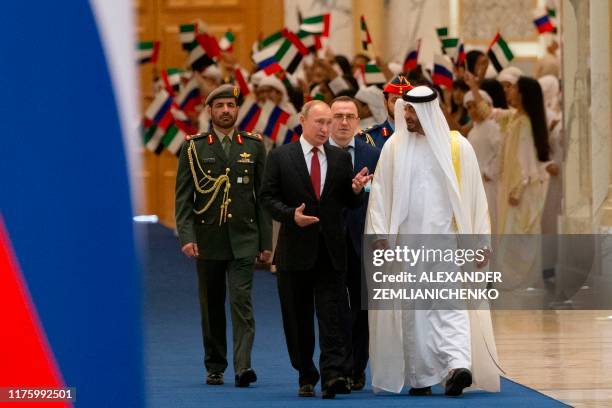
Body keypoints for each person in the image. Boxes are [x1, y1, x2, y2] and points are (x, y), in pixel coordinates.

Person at [366, 85, 501, 396]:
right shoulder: (395, 147)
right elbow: (381, 196)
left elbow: (475, 199)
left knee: (450, 306)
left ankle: (457, 366)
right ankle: (422, 377)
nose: (407, 116)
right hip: (406, 248)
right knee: (415, 312)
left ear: (428, 111)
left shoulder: (458, 147)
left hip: (448, 246)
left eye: (413, 111)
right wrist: (379, 238)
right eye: (406, 110)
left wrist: (481, 243)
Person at [260, 100, 373, 399]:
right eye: (320, 122)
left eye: (328, 123)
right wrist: (290, 216)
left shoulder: (338, 159)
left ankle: (334, 374)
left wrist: (356, 191)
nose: (326, 128)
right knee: (297, 319)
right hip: (295, 252)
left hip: (331, 252)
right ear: (302, 121)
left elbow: (347, 203)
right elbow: (267, 198)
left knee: (333, 315)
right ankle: (306, 373)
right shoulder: (281, 157)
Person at [175, 84, 272, 388]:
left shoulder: (254, 145)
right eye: (220, 106)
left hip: (244, 237)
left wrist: (266, 243)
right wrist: (187, 236)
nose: (226, 111)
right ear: (210, 111)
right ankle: (215, 365)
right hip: (208, 239)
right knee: (212, 304)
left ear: (237, 109)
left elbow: (263, 197)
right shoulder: (194, 147)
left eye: (231, 105)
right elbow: (183, 197)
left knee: (241, 302)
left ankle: (243, 367)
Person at [328, 96, 381, 391]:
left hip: (364, 239)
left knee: (362, 308)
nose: (344, 122)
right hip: (330, 240)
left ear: (358, 122)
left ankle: (357, 367)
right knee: (334, 307)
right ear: (329, 120)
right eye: (338, 116)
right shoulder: (319, 154)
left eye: (350, 116)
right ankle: (338, 365)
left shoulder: (372, 155)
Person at [464, 89, 502, 233]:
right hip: (475, 183)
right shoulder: (473, 131)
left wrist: (490, 172)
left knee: (491, 221)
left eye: (474, 105)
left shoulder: (493, 127)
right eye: (468, 107)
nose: (472, 110)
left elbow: (501, 152)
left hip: (490, 183)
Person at [358, 75, 413, 148]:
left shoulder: (423, 135)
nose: (401, 106)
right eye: (395, 100)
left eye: (406, 101)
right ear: (385, 103)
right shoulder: (368, 139)